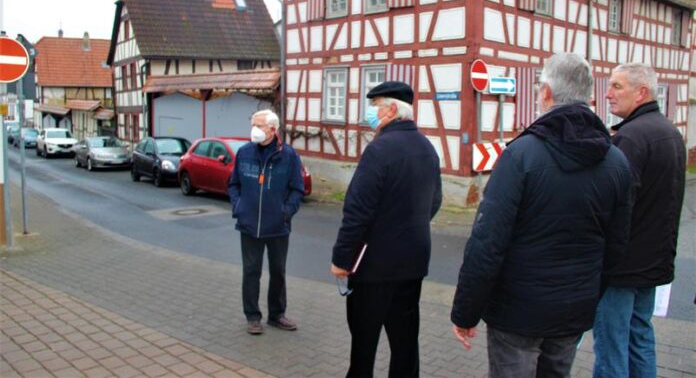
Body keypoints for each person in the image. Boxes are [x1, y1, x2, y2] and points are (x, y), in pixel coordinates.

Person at [450, 53, 632, 377]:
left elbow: (487, 243)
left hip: (516, 313)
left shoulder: (520, 156)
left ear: (546, 92)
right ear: (589, 97)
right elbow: (617, 247)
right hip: (572, 311)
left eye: (537, 89)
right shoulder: (616, 162)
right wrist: (588, 294)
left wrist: (466, 312)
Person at [331, 81, 442, 378]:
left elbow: (357, 211)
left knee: (364, 345)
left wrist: (341, 259)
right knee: (405, 344)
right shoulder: (427, 148)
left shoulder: (379, 149)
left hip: (373, 267)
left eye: (374, 105)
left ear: (392, 109)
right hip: (413, 264)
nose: (370, 113)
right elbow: (435, 202)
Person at [593, 63, 686, 377]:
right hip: (652, 263)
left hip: (622, 268)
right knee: (640, 337)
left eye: (617, 86)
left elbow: (616, 206)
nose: (607, 94)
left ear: (642, 92)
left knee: (611, 347)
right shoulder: (671, 133)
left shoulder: (630, 138)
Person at [228, 109, 304, 335]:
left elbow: (297, 189)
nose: (254, 130)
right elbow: (233, 185)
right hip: (249, 225)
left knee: (278, 271)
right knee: (251, 271)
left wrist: (286, 212)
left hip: (278, 226)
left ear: (272, 129)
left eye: (259, 125)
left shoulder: (288, 156)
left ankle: (277, 314)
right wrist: (238, 207)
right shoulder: (244, 153)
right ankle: (252, 316)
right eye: (252, 124)